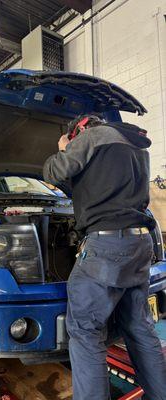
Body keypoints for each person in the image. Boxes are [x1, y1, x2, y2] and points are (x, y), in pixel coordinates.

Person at [43, 115, 166, 400]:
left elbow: (52, 172)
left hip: (107, 246)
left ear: (81, 129)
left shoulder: (91, 136)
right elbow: (98, 187)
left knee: (85, 332)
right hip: (140, 243)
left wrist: (64, 148)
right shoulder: (136, 146)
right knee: (139, 326)